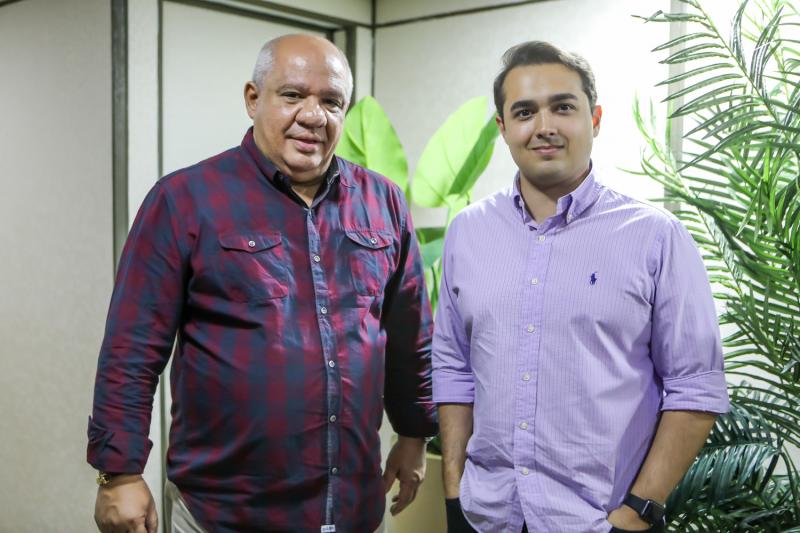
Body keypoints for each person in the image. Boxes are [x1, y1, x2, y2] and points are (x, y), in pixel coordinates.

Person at [88, 34, 437, 533]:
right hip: (225, 513)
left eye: (331, 101)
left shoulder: (382, 202)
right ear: (253, 99)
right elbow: (131, 348)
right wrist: (119, 473)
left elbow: (410, 336)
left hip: (354, 508)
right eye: (293, 95)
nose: (313, 116)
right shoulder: (184, 200)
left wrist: (414, 434)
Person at [432, 41, 729, 533]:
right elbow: (454, 366)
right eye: (524, 112)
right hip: (488, 515)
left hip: (597, 521)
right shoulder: (468, 231)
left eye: (562, 107)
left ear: (594, 118)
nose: (543, 126)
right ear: (503, 128)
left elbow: (695, 385)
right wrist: (453, 492)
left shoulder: (655, 236)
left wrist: (637, 513)